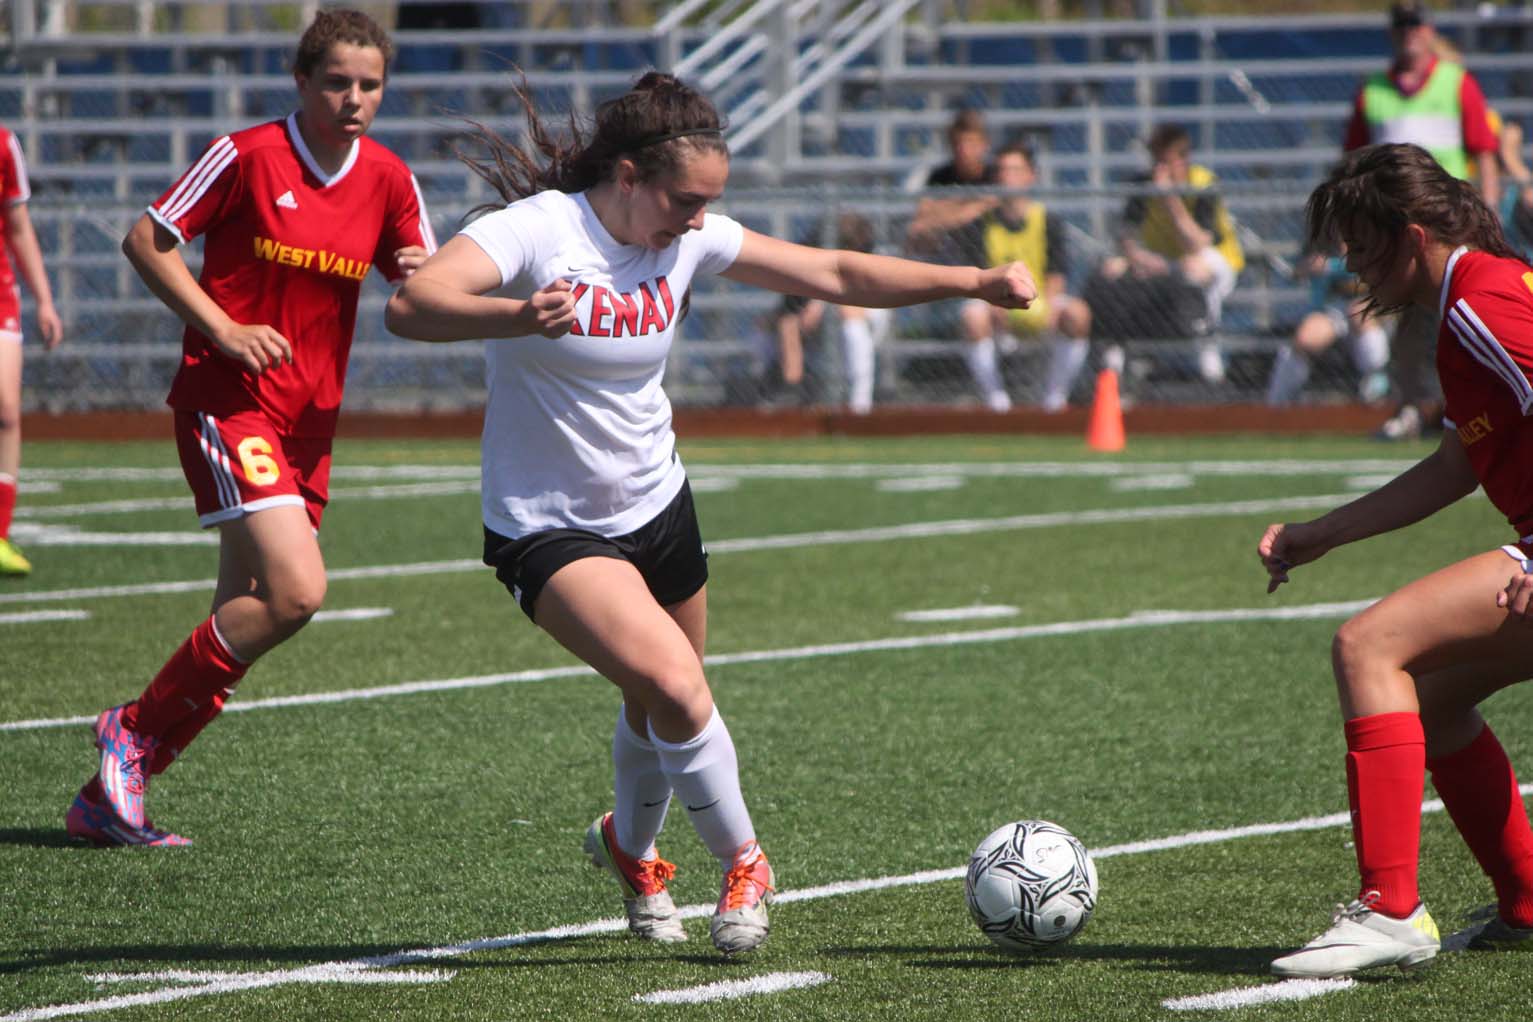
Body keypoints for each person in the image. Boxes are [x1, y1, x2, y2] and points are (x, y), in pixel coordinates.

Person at [383, 72, 1036, 954]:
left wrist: (975, 279)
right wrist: (513, 317)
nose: (696, 220)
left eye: (709, 204)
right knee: (680, 689)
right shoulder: (535, 231)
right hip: (547, 523)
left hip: (658, 503)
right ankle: (747, 862)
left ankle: (631, 850)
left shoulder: (689, 237)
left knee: (657, 698)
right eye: (684, 200)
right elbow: (410, 306)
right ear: (626, 174)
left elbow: (836, 270)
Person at [65, 9, 434, 847]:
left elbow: (415, 301)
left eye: (369, 84)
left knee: (247, 610)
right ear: (301, 82)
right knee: (299, 594)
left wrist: (429, 276)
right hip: (228, 400)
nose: (353, 98)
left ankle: (109, 796)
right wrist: (222, 329)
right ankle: (131, 725)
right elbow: (146, 239)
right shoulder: (245, 154)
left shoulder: (389, 179)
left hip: (311, 421)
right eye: (336, 81)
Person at [1258, 142, 1533, 979]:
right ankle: (1526, 900)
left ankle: (1390, 909)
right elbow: (1455, 467)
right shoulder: (1466, 306)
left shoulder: (1480, 308)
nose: (1349, 263)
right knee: (1436, 698)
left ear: (1412, 237)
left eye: (1360, 245)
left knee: (1367, 646)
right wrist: (1323, 532)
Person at [1345, 2, 1500, 440]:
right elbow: (1353, 159)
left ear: (1429, 30)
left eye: (1415, 23)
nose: (1408, 32)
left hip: (1449, 226)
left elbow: (1483, 149)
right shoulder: (1373, 89)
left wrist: (1486, 212)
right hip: (1391, 228)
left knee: (1462, 314)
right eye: (1400, 25)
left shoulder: (1456, 83)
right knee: (1406, 320)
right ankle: (1411, 405)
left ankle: (1468, 408)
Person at [1085, 123, 1243, 385]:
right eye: (1156, 161)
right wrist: (1138, 259)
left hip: (1214, 260)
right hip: (1162, 261)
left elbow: (1198, 243)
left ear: (1183, 160)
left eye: (1167, 162)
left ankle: (1211, 370)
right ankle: (1113, 370)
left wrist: (1170, 198)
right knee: (1111, 269)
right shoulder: (1143, 184)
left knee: (1195, 269)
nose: (1159, 170)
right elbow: (1126, 239)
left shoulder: (1203, 183)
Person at [958, 142, 1091, 412]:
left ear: (1031, 175)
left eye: (1015, 170)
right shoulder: (980, 224)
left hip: (1038, 302)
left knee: (1078, 314)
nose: (1007, 177)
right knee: (971, 315)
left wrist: (1046, 308)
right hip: (995, 304)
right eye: (1002, 170)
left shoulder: (1048, 221)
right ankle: (997, 402)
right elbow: (973, 278)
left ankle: (1054, 399)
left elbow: (1056, 275)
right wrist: (997, 306)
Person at [0, 124, 64, 576]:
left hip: (0, 295)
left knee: (5, 412)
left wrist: (44, 299)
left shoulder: (4, 143)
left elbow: (18, 225)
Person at [772, 214, 891, 413]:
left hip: (865, 309)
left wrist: (821, 303)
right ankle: (790, 390)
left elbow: (865, 290)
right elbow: (789, 308)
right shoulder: (810, 250)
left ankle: (860, 405)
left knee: (848, 312)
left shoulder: (869, 251)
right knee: (783, 322)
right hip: (820, 324)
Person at [1263, 249, 1391, 406]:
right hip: (1329, 310)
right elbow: (1295, 270)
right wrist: (1308, 266)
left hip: (1368, 306)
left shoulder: (1369, 234)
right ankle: (1277, 405)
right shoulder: (1321, 236)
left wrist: (1332, 267)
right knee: (1304, 340)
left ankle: (1377, 384)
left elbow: (1378, 273)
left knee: (1359, 312)